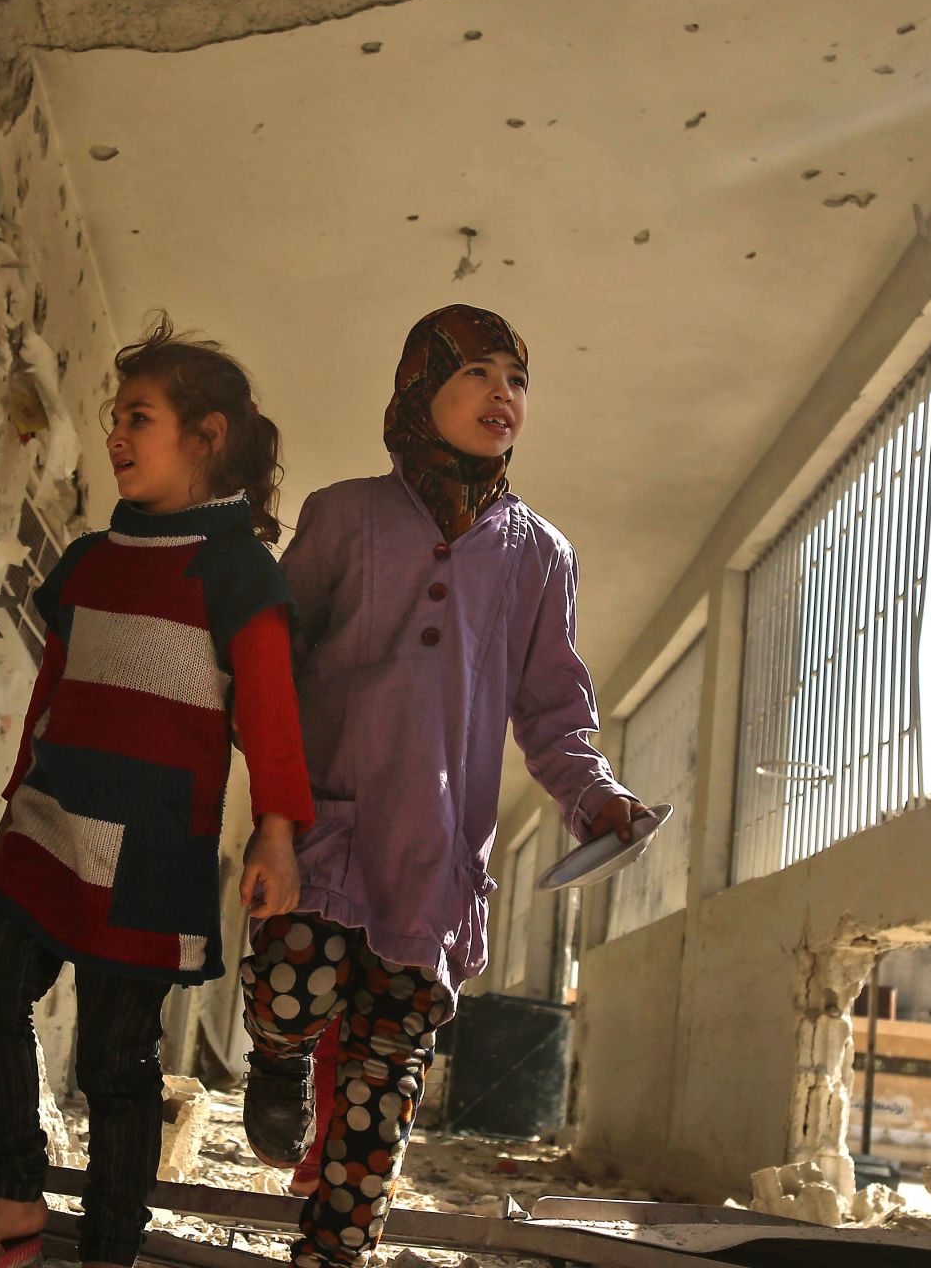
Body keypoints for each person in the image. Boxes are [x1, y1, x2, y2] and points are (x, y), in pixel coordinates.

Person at [238, 304, 648, 1268]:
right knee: (290, 988)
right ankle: (277, 1058)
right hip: (323, 824)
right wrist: (271, 815)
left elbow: (553, 713)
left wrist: (594, 797)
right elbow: (275, 665)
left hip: (433, 856)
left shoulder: (541, 557)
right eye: (477, 372)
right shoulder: (343, 515)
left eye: (518, 378)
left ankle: (334, 1250)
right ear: (422, 387)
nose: (503, 394)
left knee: (386, 1083)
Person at [0, 316, 314, 1268]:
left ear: (207, 435)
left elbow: (270, 718)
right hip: (48, 831)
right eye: (113, 417)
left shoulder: (237, 572)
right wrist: (14, 807)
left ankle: (108, 1248)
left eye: (138, 416)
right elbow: (49, 701)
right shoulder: (90, 559)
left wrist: (276, 834)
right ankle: (13, 1195)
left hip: (153, 852)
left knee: (118, 1063)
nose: (115, 435)